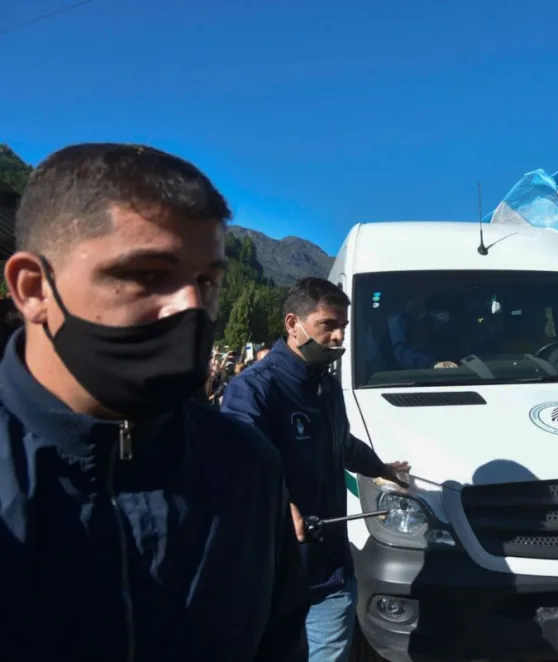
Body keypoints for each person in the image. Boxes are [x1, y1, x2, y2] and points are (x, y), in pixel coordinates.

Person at [0, 143, 309, 660]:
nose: (191, 307)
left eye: (206, 281)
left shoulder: (247, 469)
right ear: (33, 289)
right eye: (146, 274)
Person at [221, 277, 410, 662]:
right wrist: (280, 504)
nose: (339, 336)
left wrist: (382, 469)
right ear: (293, 324)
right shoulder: (254, 390)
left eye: (343, 326)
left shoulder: (326, 386)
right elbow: (239, 462)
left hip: (329, 578)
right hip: (270, 581)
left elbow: (343, 445)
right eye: (328, 325)